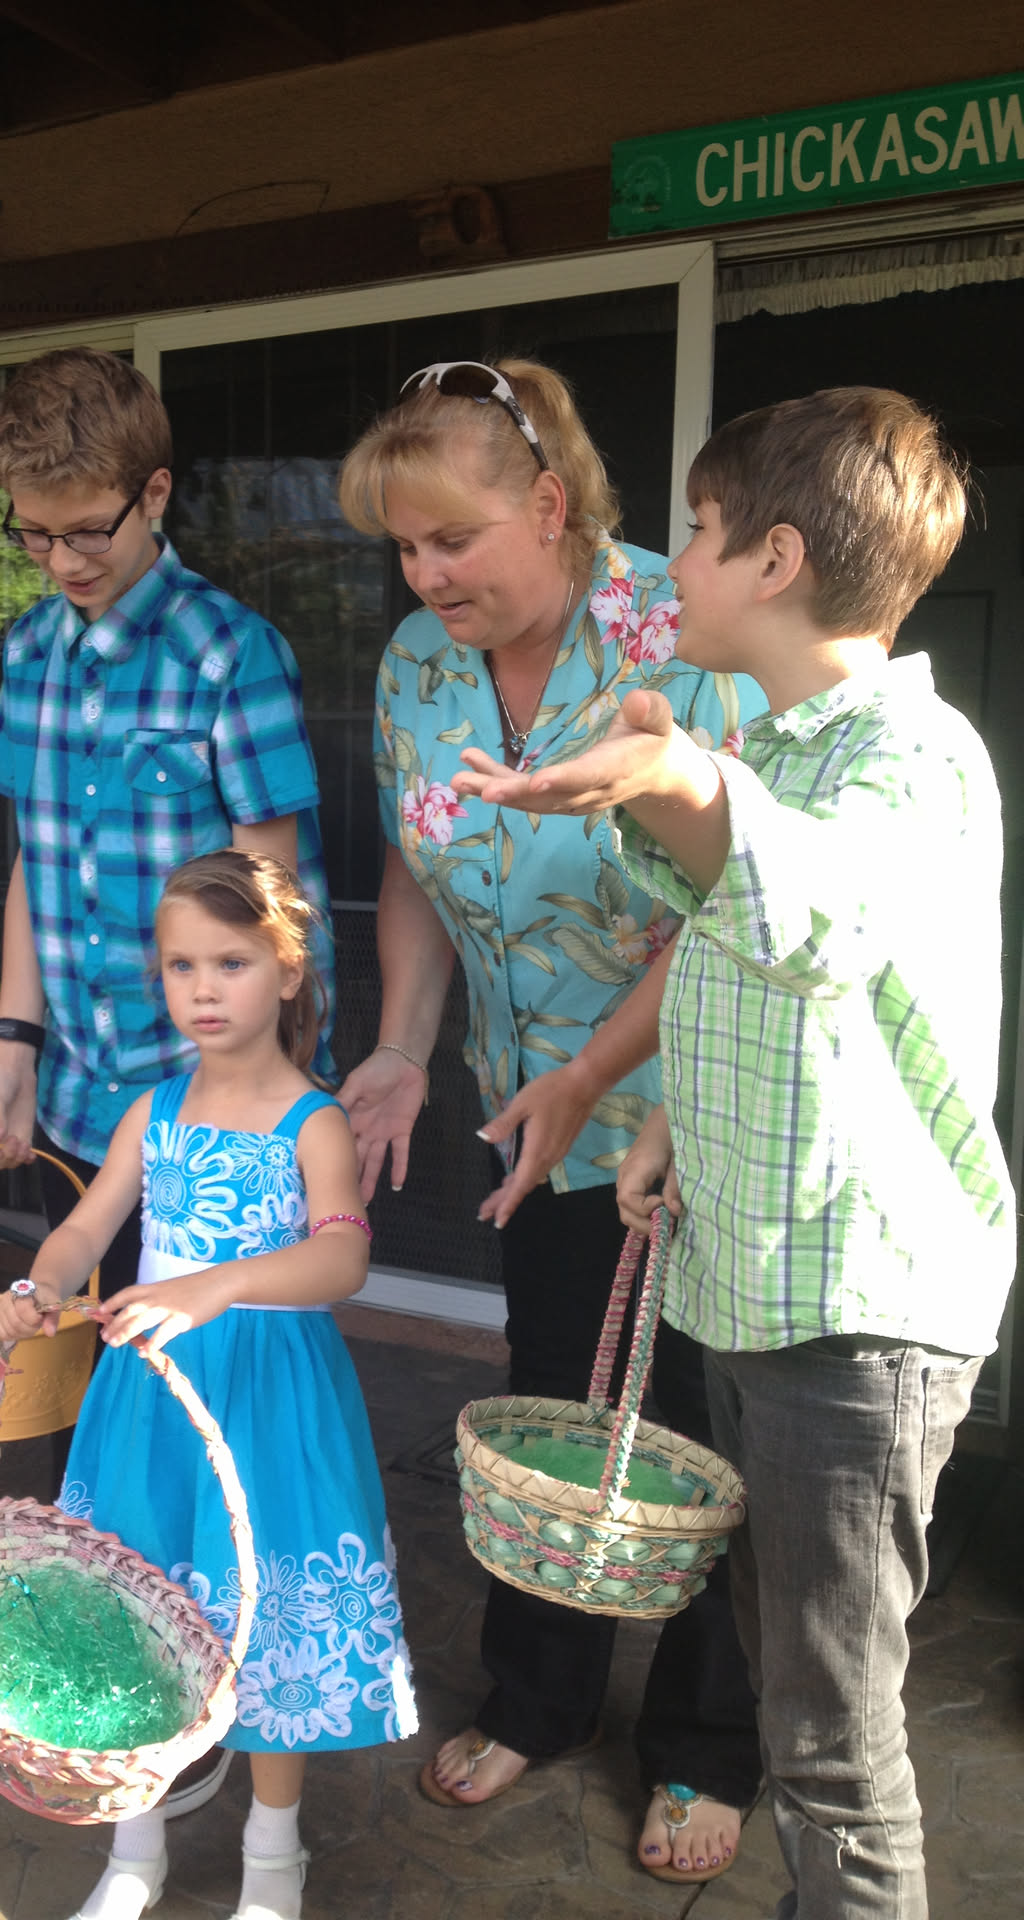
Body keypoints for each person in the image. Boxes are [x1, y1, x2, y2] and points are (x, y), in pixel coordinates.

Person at [454, 385, 1015, 1920]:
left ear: (776, 560)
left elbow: (814, 917)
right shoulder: (785, 749)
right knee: (786, 1678)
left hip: (858, 1331)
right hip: (767, 1289)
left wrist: (681, 780)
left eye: (699, 531)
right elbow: (749, 971)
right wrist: (666, 1120)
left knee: (831, 1739)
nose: (675, 560)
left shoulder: (914, 754)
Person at [335, 359, 764, 1881]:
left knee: (698, 1427)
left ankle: (707, 1741)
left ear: (549, 502)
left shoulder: (680, 629)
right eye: (405, 546)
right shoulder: (417, 665)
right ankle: (543, 1696)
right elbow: (415, 866)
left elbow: (731, 899)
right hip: (530, 1108)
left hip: (691, 1108)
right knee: (552, 1402)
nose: (426, 574)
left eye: (453, 539)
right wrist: (402, 1046)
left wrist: (597, 1075)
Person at [0, 848, 414, 1920]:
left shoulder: (312, 1120)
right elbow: (87, 1227)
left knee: (263, 1611)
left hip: (271, 1401)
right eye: (182, 966)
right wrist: (42, 1284)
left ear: (287, 971)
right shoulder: (155, 1111)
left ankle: (274, 1852)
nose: (203, 989)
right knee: (138, 1610)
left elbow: (342, 1256)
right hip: (151, 1407)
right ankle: (134, 1849)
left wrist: (213, 1286)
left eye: (231, 963)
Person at [0, 347, 333, 1298]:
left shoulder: (231, 654)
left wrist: (261, 1112)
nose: (62, 562)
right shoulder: (30, 653)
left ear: (155, 493)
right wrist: (13, 1053)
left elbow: (274, 905)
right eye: (34, 534)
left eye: (90, 530)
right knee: (87, 1348)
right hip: (76, 1096)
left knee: (206, 1364)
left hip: (211, 1106)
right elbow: (36, 864)